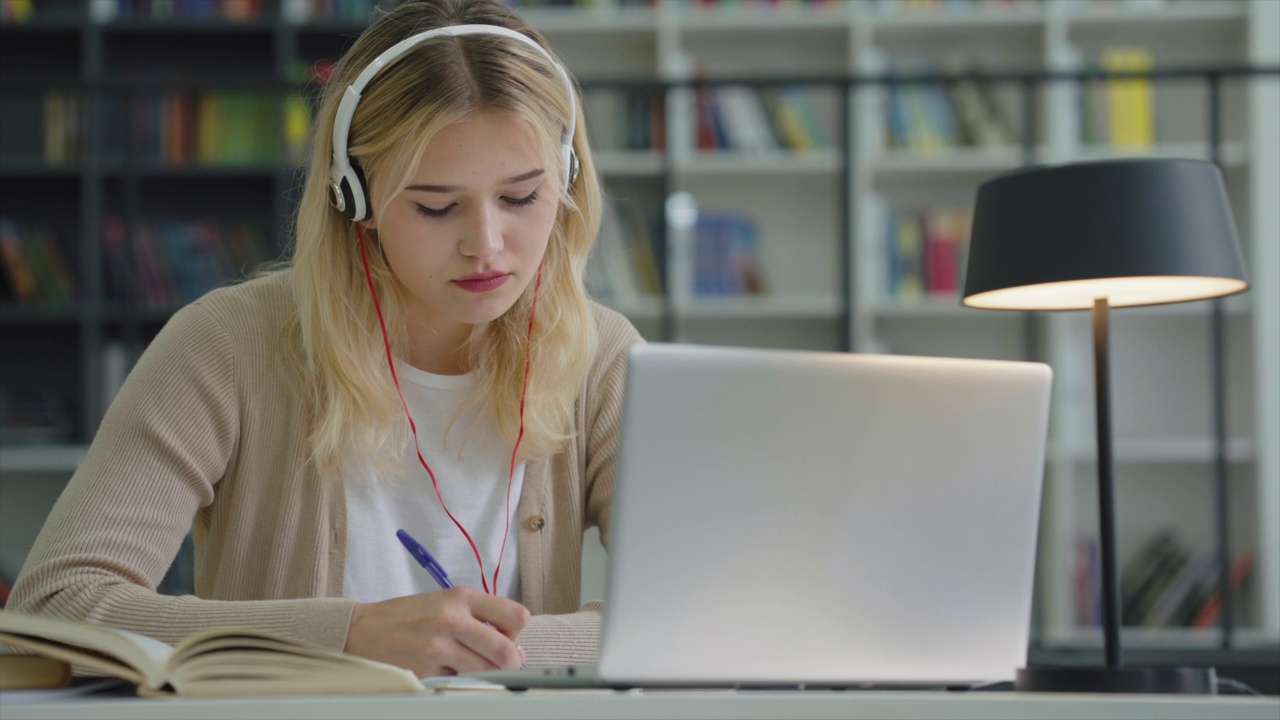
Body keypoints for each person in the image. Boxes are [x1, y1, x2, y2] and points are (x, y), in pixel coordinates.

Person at [8, 0, 642, 678]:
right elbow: (51, 611)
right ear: (354, 199)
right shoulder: (227, 345)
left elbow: (722, 616)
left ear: (568, 180)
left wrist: (498, 656)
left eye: (520, 198)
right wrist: (348, 636)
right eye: (435, 205)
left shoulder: (600, 358)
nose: (486, 245)